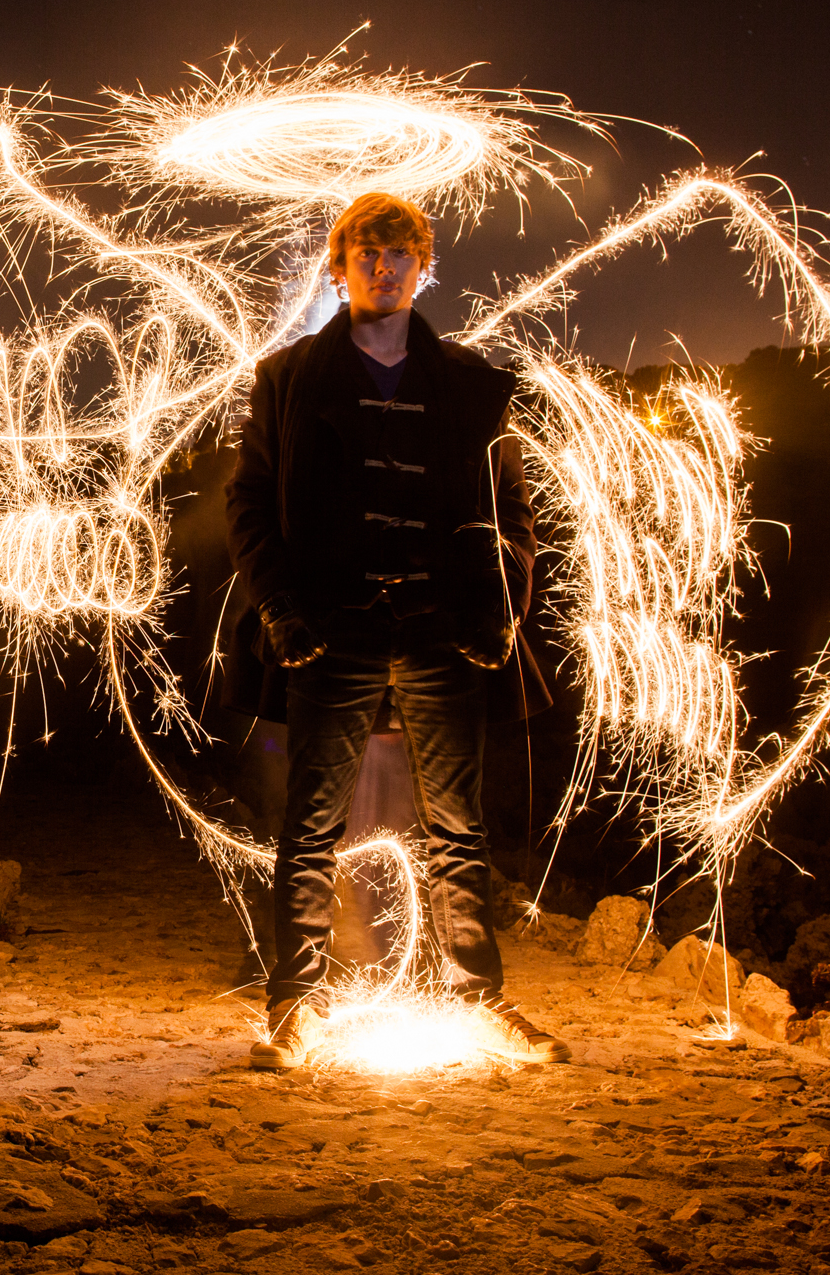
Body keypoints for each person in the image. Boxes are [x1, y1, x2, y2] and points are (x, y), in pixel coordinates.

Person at [224, 191, 567, 1069]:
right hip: (329, 632)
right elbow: (251, 505)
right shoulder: (288, 380)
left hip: (438, 632)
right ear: (339, 266)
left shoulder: (469, 391)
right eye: (367, 251)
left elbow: (512, 514)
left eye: (400, 250)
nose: (384, 264)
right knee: (311, 827)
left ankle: (478, 998)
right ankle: (293, 1008)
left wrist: (500, 609)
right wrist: (280, 608)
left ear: (425, 263)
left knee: (459, 828)